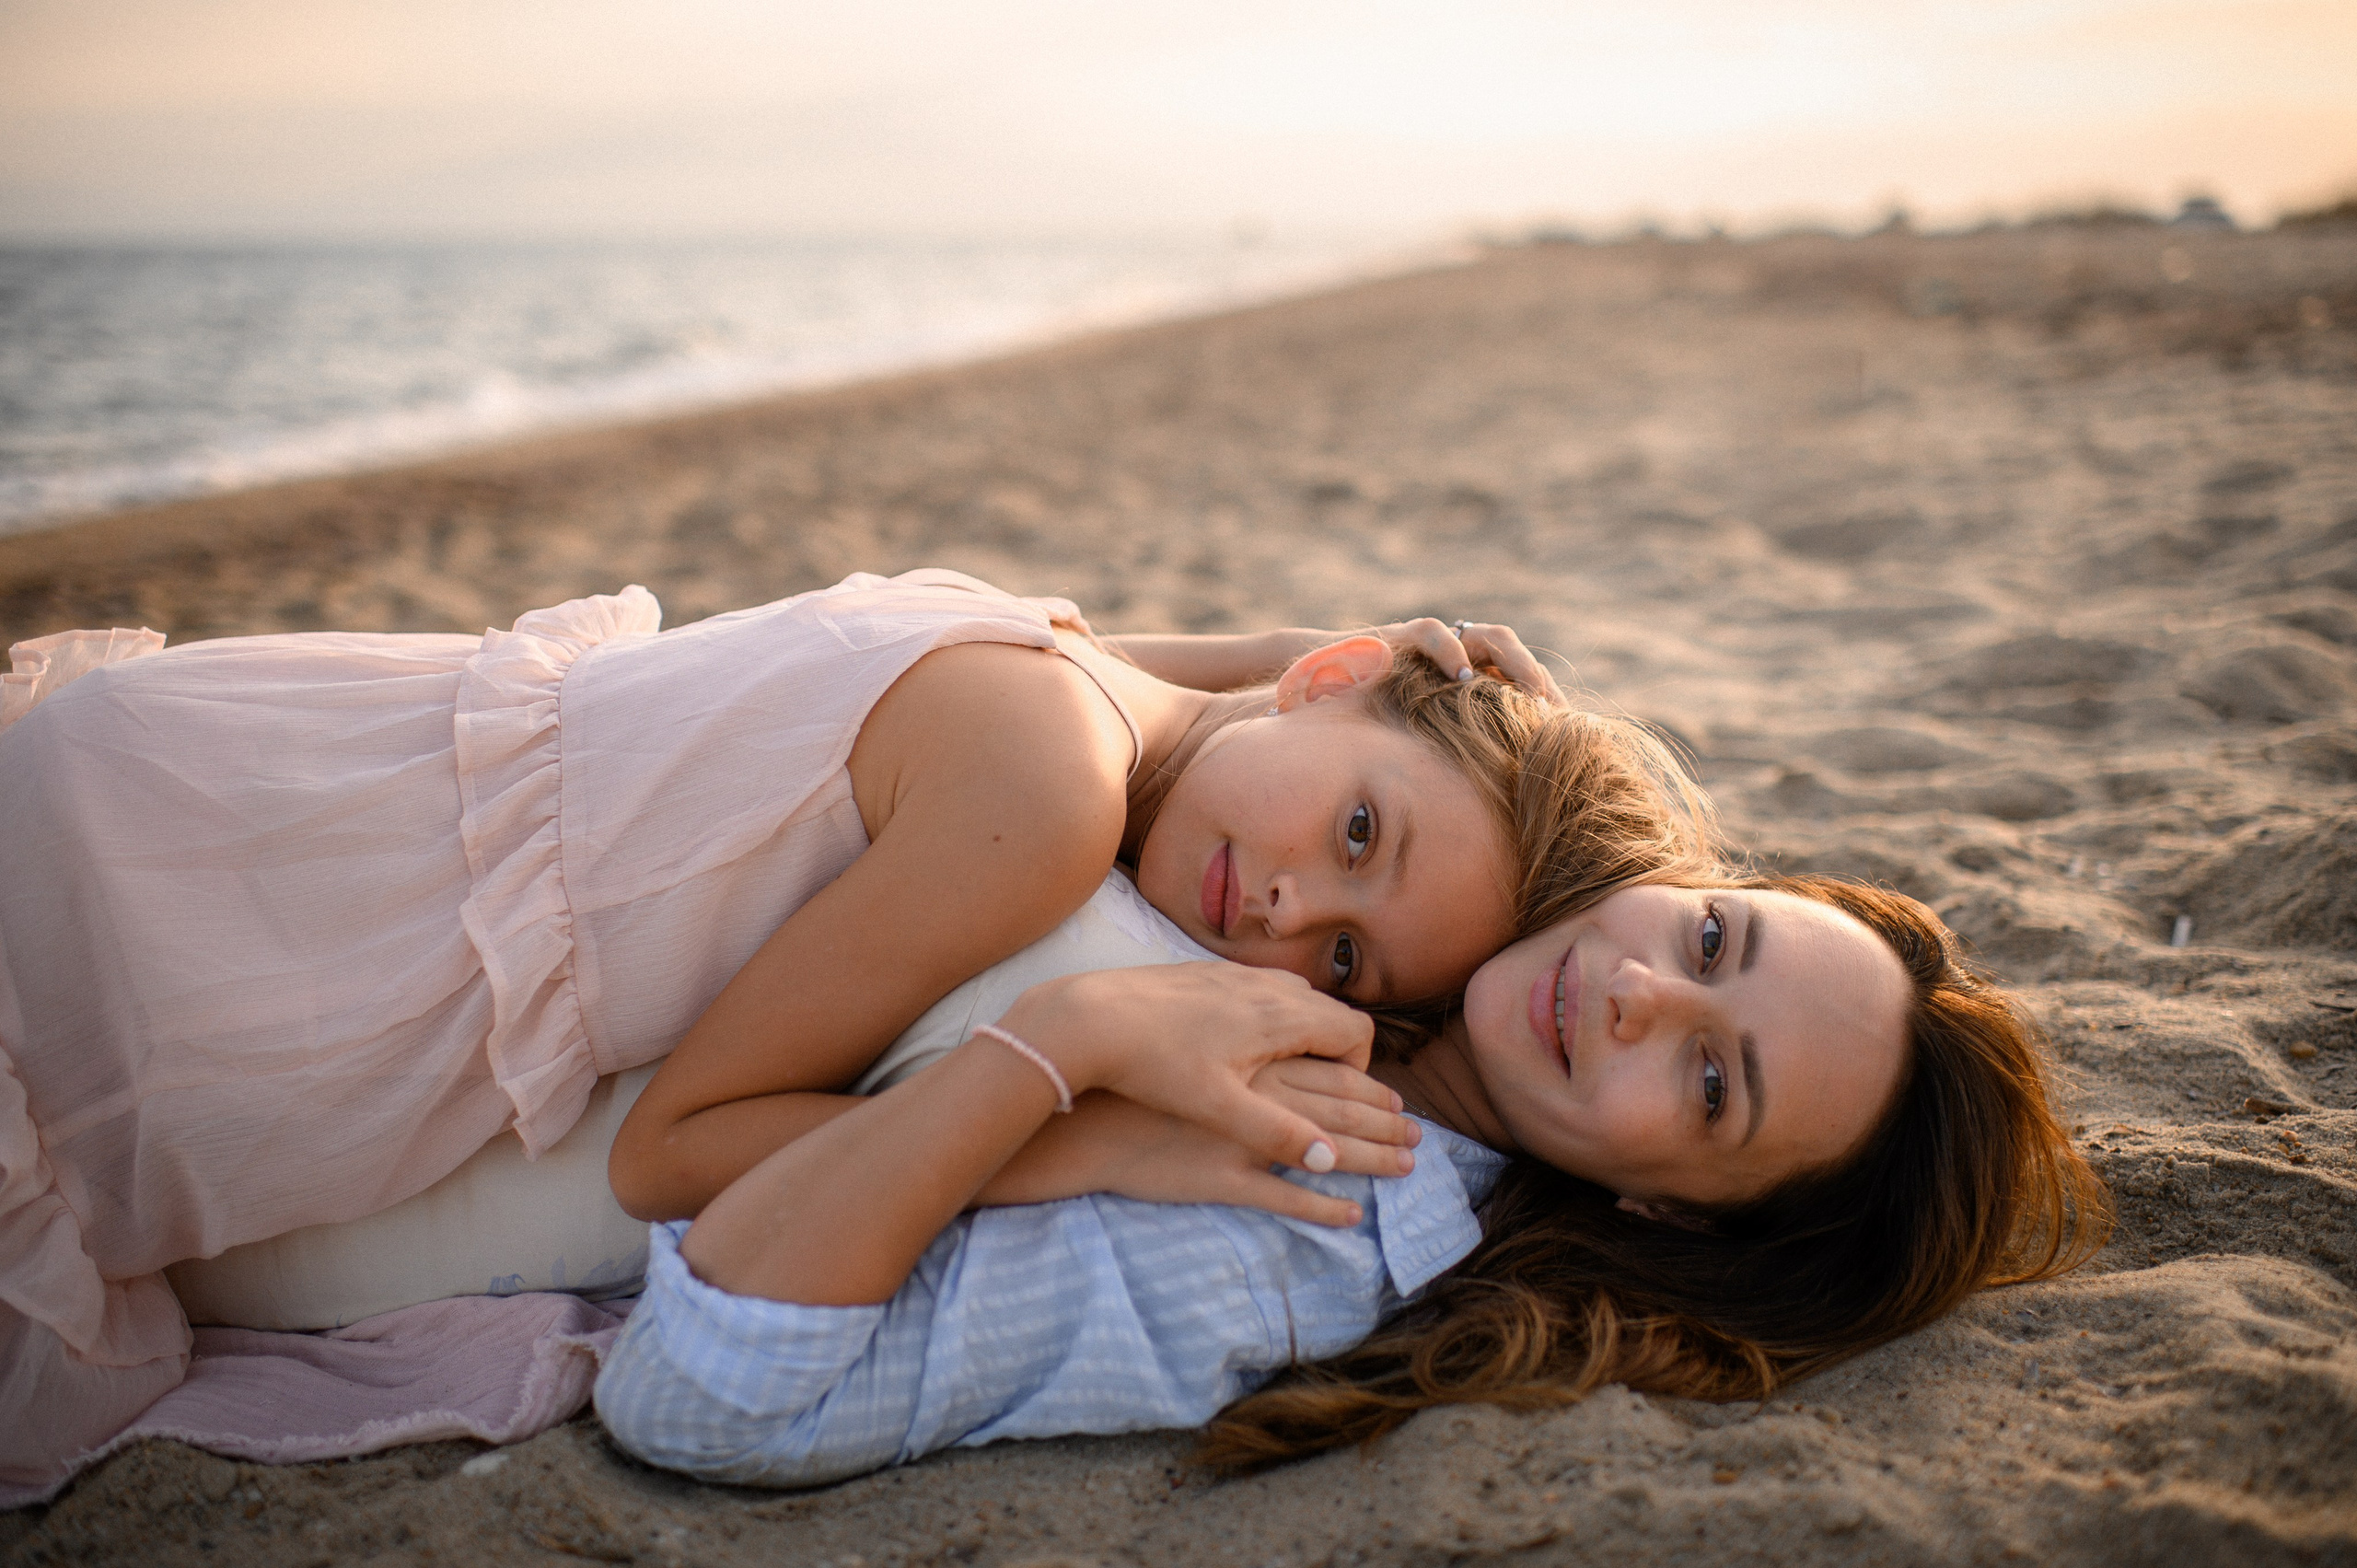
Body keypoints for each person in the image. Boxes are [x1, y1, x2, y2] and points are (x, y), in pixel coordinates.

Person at [0, 567, 1581, 1496]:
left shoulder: (1072, 666)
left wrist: (1320, 672)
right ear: (1334, 675)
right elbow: (675, 1154)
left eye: (1349, 955)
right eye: (1362, 829)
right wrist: (1088, 1117)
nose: (1286, 909)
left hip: (207, 764)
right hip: (214, 928)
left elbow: (1233, 704)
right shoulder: (1042, 808)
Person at [595, 872, 2110, 1487]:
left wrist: (1061, 1050)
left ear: (1665, 1211)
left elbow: (706, 1399)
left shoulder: (1310, 1227)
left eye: (1712, 1082)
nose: (1645, 990)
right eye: (1712, 936)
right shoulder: (1427, 921)